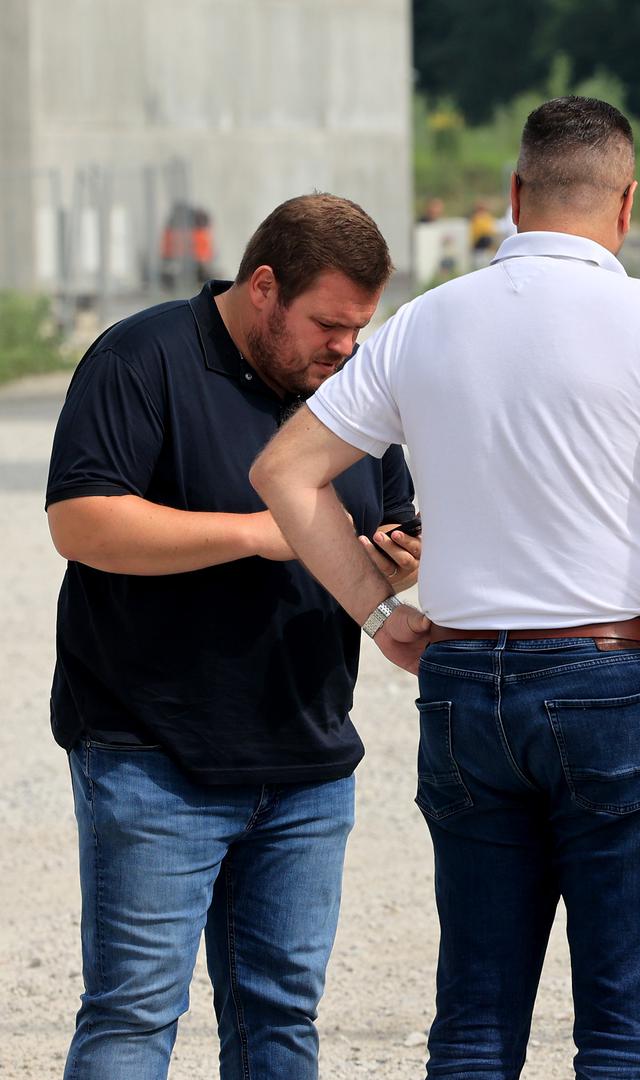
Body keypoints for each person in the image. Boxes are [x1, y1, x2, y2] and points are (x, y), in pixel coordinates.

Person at [250, 97, 640, 1078]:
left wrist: (378, 613)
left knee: (473, 1028)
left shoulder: (425, 324)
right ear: (629, 204)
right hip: (617, 680)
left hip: (466, 690)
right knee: (626, 1041)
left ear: (513, 195)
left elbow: (284, 473)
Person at [46, 193, 417, 1078]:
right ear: (263, 289)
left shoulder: (355, 388)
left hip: (306, 764)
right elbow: (81, 521)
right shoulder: (143, 357)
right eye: (328, 324)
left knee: (281, 1023)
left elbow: (388, 520)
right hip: (152, 753)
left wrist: (396, 561)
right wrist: (255, 531)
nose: (344, 348)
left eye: (359, 328)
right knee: (135, 1015)